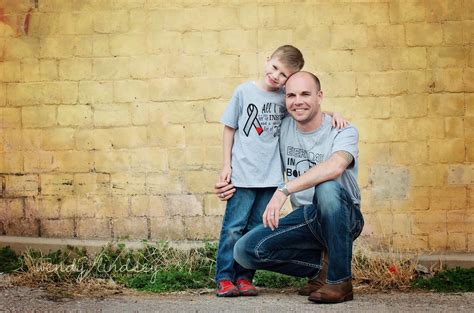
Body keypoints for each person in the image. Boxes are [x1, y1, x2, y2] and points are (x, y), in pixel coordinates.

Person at [215, 71, 364, 303]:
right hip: (305, 219)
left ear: (320, 96)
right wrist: (231, 179)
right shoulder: (283, 127)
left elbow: (335, 167)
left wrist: (284, 190)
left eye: (305, 94)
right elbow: (252, 144)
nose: (298, 101)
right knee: (245, 250)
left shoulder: (343, 130)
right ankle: (320, 270)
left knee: (326, 188)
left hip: (344, 216)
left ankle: (340, 281)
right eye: (291, 95)